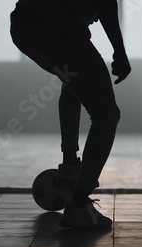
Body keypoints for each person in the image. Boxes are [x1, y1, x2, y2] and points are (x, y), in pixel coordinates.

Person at [10, 0, 131, 229]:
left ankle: (70, 167)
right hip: (58, 29)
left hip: (25, 28)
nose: (95, 19)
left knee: (72, 83)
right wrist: (120, 51)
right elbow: (105, 4)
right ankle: (78, 205)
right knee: (106, 114)